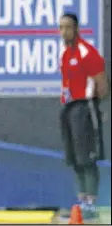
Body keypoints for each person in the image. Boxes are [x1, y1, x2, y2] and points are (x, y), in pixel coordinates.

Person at [59, 13, 109, 220]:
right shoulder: (64, 54)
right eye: (61, 28)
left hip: (85, 109)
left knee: (87, 159)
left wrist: (97, 108)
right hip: (68, 109)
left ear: (76, 28)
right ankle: (81, 202)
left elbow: (103, 86)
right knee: (75, 159)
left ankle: (91, 204)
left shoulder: (87, 53)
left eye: (68, 27)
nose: (64, 32)